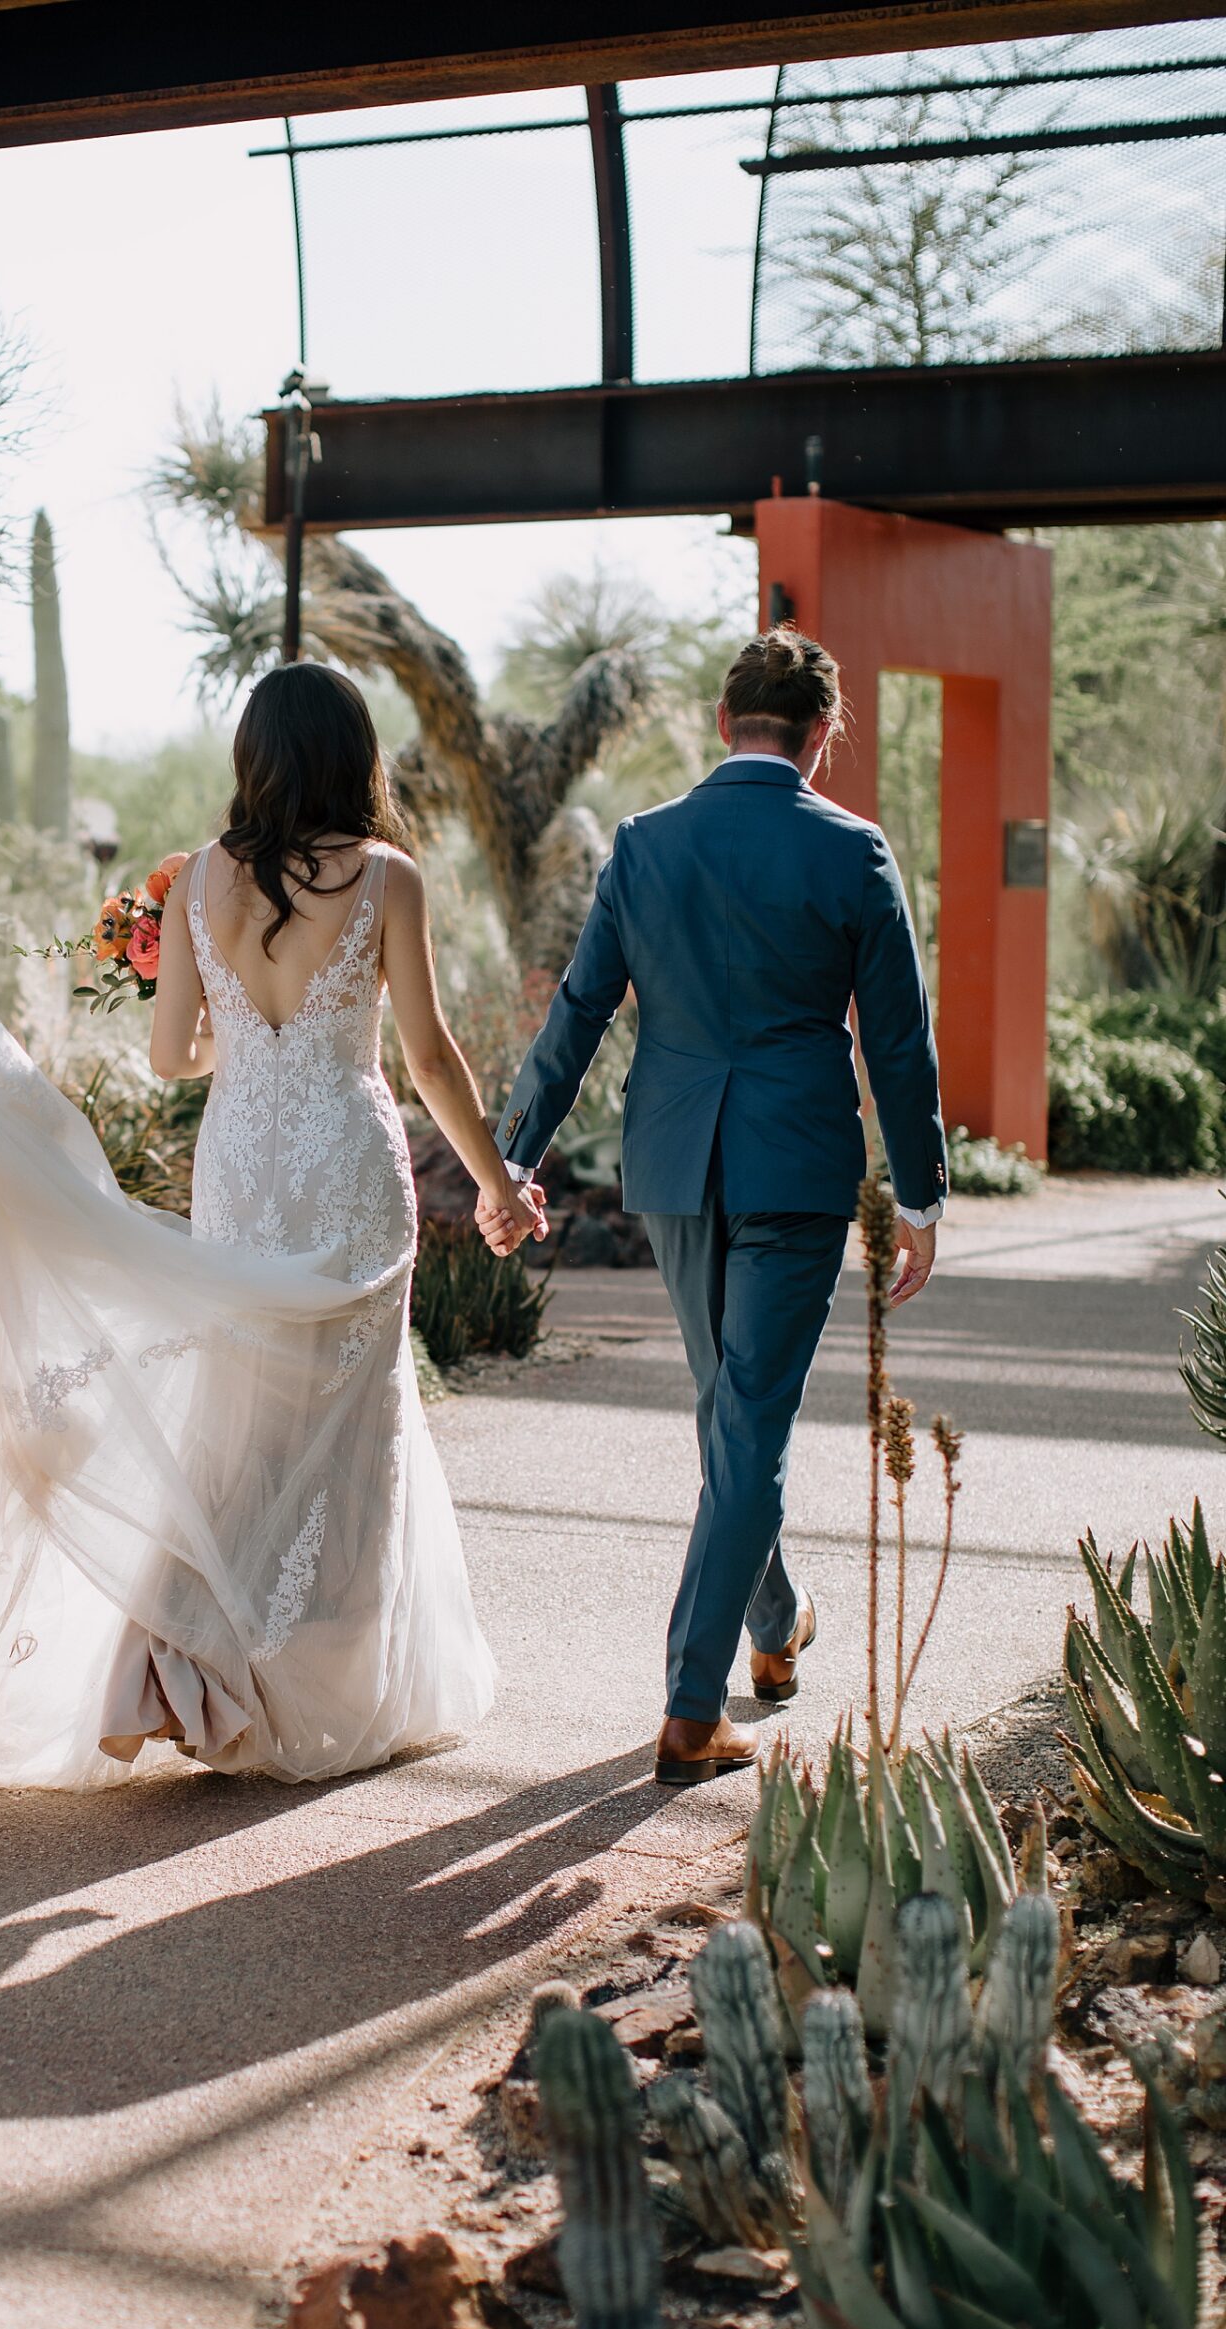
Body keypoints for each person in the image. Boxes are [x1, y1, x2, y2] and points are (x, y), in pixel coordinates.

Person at [0, 662, 542, 1785]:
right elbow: (430, 1055)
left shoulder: (200, 879)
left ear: (253, 759)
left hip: (242, 1164)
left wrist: (240, 1050)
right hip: (346, 1166)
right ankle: (308, 1687)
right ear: (356, 758)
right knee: (348, 1432)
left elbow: (169, 1057)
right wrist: (495, 1182)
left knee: (235, 1419)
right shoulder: (389, 877)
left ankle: (181, 1663)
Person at [482, 629, 945, 1787]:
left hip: (678, 1166)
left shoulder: (646, 845)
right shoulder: (853, 850)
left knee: (731, 1414)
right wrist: (924, 1192)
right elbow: (898, 1042)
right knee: (745, 1422)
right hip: (794, 1165)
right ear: (821, 736)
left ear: (722, 721)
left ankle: (776, 1624)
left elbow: (578, 1015)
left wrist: (514, 1160)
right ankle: (693, 1706)